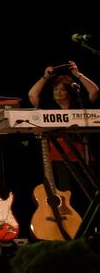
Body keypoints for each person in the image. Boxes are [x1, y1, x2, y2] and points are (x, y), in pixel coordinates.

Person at [27, 61, 99, 214]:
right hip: (59, 159)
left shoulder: (78, 104)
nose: (58, 92)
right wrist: (45, 77)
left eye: (62, 90)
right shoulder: (49, 107)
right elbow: (32, 95)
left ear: (69, 92)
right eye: (55, 89)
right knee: (66, 194)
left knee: (89, 193)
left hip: (82, 157)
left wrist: (78, 75)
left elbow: (94, 92)